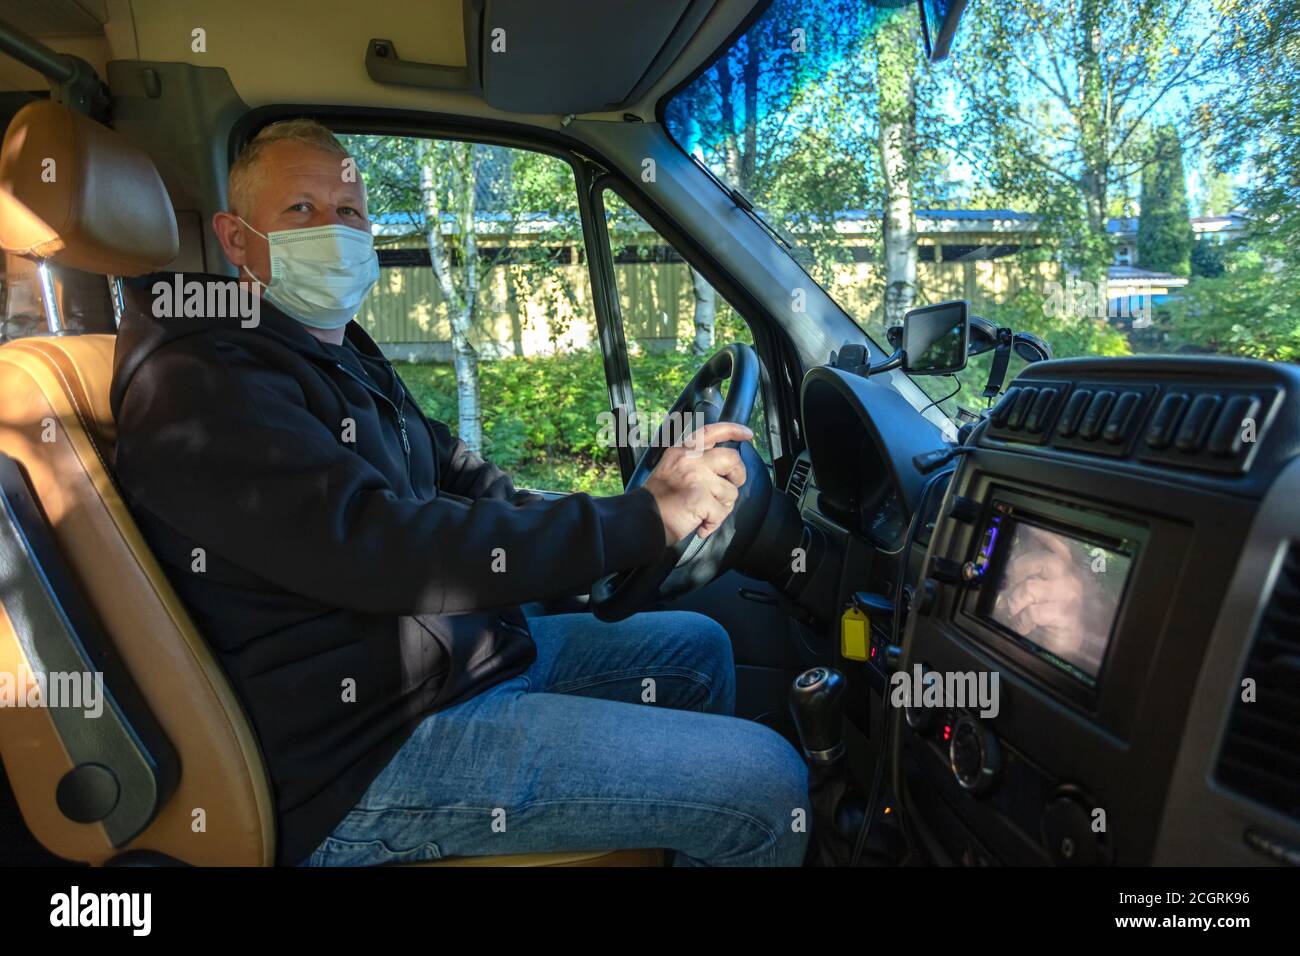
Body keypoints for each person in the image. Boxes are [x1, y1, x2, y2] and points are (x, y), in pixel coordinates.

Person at [109, 119, 810, 867]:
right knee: (769, 786)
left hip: (440, 668)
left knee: (695, 647)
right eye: (301, 211)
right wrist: (641, 519)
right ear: (236, 238)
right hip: (362, 748)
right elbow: (377, 546)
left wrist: (625, 519)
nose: (333, 232)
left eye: (348, 214)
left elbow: (465, 480)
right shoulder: (199, 381)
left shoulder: (336, 355)